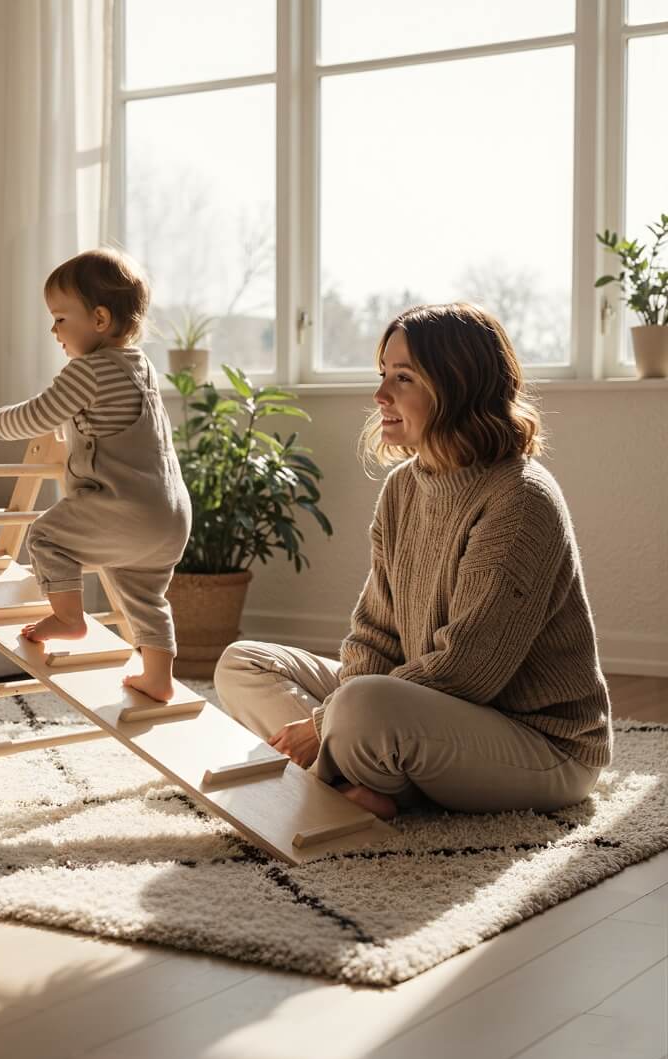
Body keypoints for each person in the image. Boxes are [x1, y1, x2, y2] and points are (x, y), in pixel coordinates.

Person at [214, 302, 611, 820]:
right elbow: (376, 631)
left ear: (458, 385)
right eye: (384, 375)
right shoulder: (403, 487)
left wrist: (326, 720)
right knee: (242, 663)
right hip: (432, 710)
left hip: (541, 744)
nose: (380, 395)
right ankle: (364, 779)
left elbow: (471, 668)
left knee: (361, 709)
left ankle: (355, 778)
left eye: (403, 378)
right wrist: (338, 713)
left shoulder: (521, 499)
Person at [0, 248, 191, 703]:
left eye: (60, 319)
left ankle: (70, 617)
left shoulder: (86, 372)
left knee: (47, 537)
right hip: (170, 515)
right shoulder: (141, 368)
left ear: (100, 319)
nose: (54, 331)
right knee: (144, 595)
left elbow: (36, 416)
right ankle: (158, 678)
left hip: (124, 508)